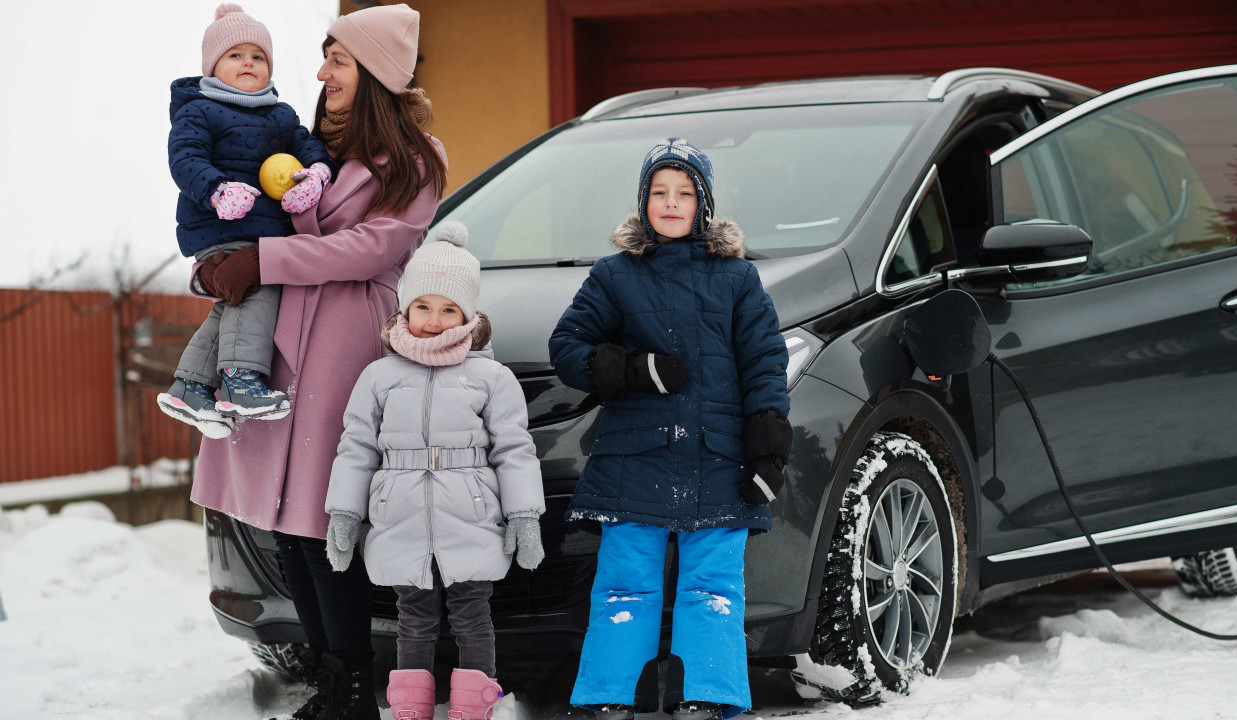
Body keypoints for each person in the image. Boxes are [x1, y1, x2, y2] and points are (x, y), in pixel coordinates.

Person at [187, 4, 449, 719]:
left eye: (337, 59)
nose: (320, 71)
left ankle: (356, 685)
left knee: (322, 520)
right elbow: (238, 217)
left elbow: (370, 249)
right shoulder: (308, 146)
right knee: (283, 524)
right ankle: (335, 686)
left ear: (374, 72)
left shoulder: (417, 160)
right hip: (275, 341)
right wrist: (216, 266)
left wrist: (262, 258)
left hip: (341, 347)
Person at [549, 138, 793, 720]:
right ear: (643, 201)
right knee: (624, 583)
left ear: (704, 205)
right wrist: (631, 369)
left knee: (712, 587)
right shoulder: (615, 276)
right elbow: (567, 347)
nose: (671, 202)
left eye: (685, 193)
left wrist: (767, 451)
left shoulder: (736, 280)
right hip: (637, 456)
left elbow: (764, 362)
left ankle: (706, 694)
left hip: (718, 457)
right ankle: (611, 695)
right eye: (659, 192)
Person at [325, 221, 546, 720]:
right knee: (414, 618)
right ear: (404, 307)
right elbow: (356, 446)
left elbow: (514, 449)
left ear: (468, 314)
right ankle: (411, 711)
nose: (434, 320)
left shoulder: (491, 376)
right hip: (400, 515)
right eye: (423, 306)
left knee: (473, 615)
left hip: (468, 513)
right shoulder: (378, 376)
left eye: (449, 310)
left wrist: (524, 515)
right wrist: (343, 514)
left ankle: (475, 709)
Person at [158, 4, 333, 438]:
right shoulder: (198, 110)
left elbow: (307, 145)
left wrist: (317, 173)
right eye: (235, 55)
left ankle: (192, 386)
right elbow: (184, 159)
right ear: (213, 65)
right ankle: (239, 380)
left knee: (233, 301)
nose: (248, 63)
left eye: (257, 56)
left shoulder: (280, 113)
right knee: (258, 288)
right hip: (219, 227)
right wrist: (217, 190)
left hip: (263, 231)